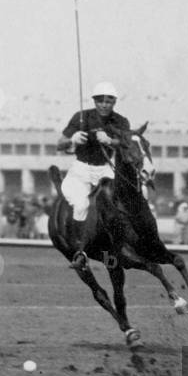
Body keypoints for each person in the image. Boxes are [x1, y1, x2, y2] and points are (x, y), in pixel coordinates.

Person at [56, 82, 130, 266]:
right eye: (100, 101)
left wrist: (111, 141)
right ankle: (80, 250)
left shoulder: (121, 121)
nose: (104, 105)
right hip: (82, 169)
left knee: (128, 199)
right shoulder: (81, 117)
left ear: (114, 102)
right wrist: (71, 140)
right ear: (94, 101)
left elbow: (128, 144)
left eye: (109, 101)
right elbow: (59, 143)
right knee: (81, 204)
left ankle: (134, 241)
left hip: (106, 168)